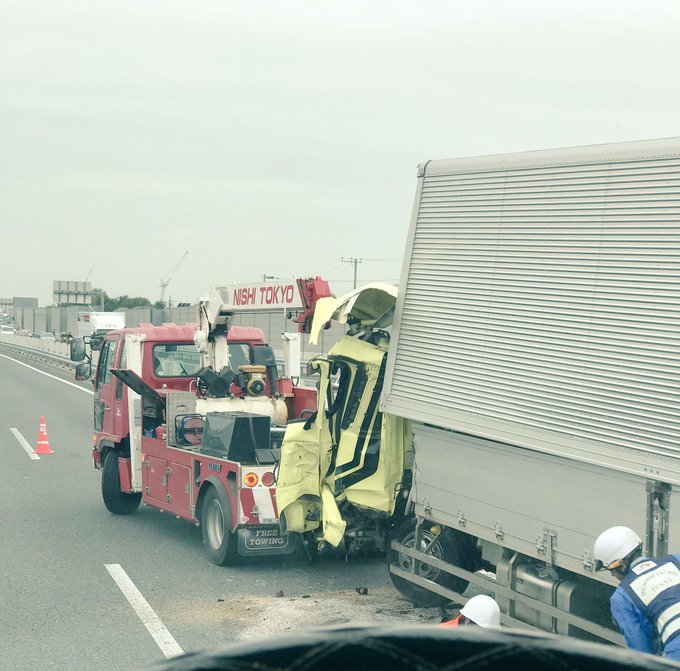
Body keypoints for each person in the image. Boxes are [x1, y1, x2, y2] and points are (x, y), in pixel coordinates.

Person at [593, 525, 680, 661]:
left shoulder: (621, 596)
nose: (612, 575)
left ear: (621, 565)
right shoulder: (676, 559)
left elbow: (641, 651)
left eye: (611, 570)